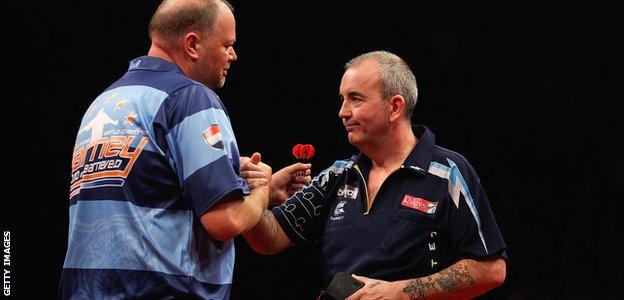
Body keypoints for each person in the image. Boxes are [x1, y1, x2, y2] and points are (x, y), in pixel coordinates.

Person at [58, 0, 308, 298]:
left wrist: (234, 181)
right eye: (227, 44)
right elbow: (225, 221)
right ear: (193, 44)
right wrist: (262, 188)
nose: (233, 55)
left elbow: (150, 189)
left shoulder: (104, 102)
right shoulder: (190, 98)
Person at [242, 51, 507, 299]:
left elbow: (491, 269)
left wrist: (397, 293)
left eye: (355, 99)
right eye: (342, 99)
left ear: (395, 107)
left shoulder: (448, 173)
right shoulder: (337, 175)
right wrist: (256, 191)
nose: (343, 112)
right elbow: (269, 238)